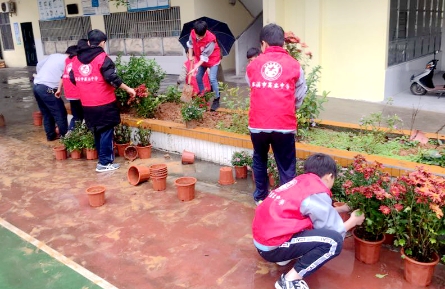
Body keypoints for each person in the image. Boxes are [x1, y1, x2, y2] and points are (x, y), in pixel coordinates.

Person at [252, 153, 365, 289]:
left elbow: (312, 212)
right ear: (330, 176)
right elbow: (332, 231)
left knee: (310, 223)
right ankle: (290, 280)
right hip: (273, 246)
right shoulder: (316, 191)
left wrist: (341, 209)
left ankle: (283, 257)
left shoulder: (301, 182)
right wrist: (353, 221)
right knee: (333, 241)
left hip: (263, 241)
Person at [246, 23, 308, 205]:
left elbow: (253, 87)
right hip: (283, 124)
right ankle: (286, 202)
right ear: (282, 43)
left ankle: (260, 197)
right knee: (286, 164)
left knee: (259, 157)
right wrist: (289, 107)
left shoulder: (253, 65)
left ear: (263, 44)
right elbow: (300, 93)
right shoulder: (295, 65)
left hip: (258, 124)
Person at [70, 29, 135, 172]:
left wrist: (86, 87)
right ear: (103, 43)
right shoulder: (102, 58)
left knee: (96, 131)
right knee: (106, 131)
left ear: (88, 42)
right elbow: (112, 78)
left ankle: (102, 160)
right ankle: (105, 163)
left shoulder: (75, 59)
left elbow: (72, 77)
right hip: (104, 102)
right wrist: (128, 89)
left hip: (87, 104)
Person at [33, 49, 70, 141]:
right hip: (48, 88)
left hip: (37, 85)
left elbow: (38, 65)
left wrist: (42, 76)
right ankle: (65, 137)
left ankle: (50, 135)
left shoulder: (54, 55)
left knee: (46, 113)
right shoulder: (69, 61)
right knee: (60, 113)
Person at [187, 20, 222, 111]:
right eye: (197, 35)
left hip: (212, 59)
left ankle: (216, 98)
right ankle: (203, 95)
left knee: (212, 78)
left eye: (200, 36)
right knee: (198, 77)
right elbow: (190, 45)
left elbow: (204, 57)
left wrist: (194, 68)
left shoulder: (211, 39)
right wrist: (190, 56)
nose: (198, 38)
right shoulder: (193, 33)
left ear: (205, 31)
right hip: (201, 58)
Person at [55, 39, 89, 130]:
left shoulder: (67, 61)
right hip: (78, 94)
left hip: (70, 95)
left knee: (76, 116)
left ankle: (71, 136)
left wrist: (59, 89)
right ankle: (82, 135)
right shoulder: (78, 60)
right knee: (85, 116)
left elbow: (63, 76)